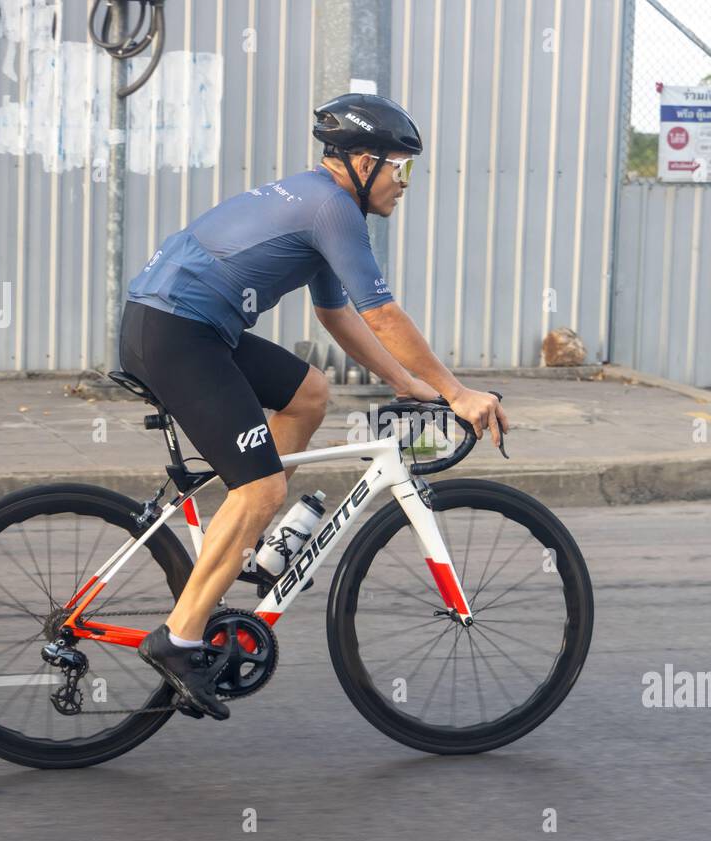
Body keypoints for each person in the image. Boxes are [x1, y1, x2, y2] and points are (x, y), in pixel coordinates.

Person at [120, 92, 508, 719]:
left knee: (310, 394)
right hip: (178, 334)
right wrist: (458, 392)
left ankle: (247, 537)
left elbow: (337, 313)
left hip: (182, 327)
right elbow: (382, 313)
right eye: (399, 168)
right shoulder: (334, 210)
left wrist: (405, 383)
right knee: (261, 489)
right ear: (361, 161)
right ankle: (179, 638)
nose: (404, 183)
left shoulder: (320, 200)